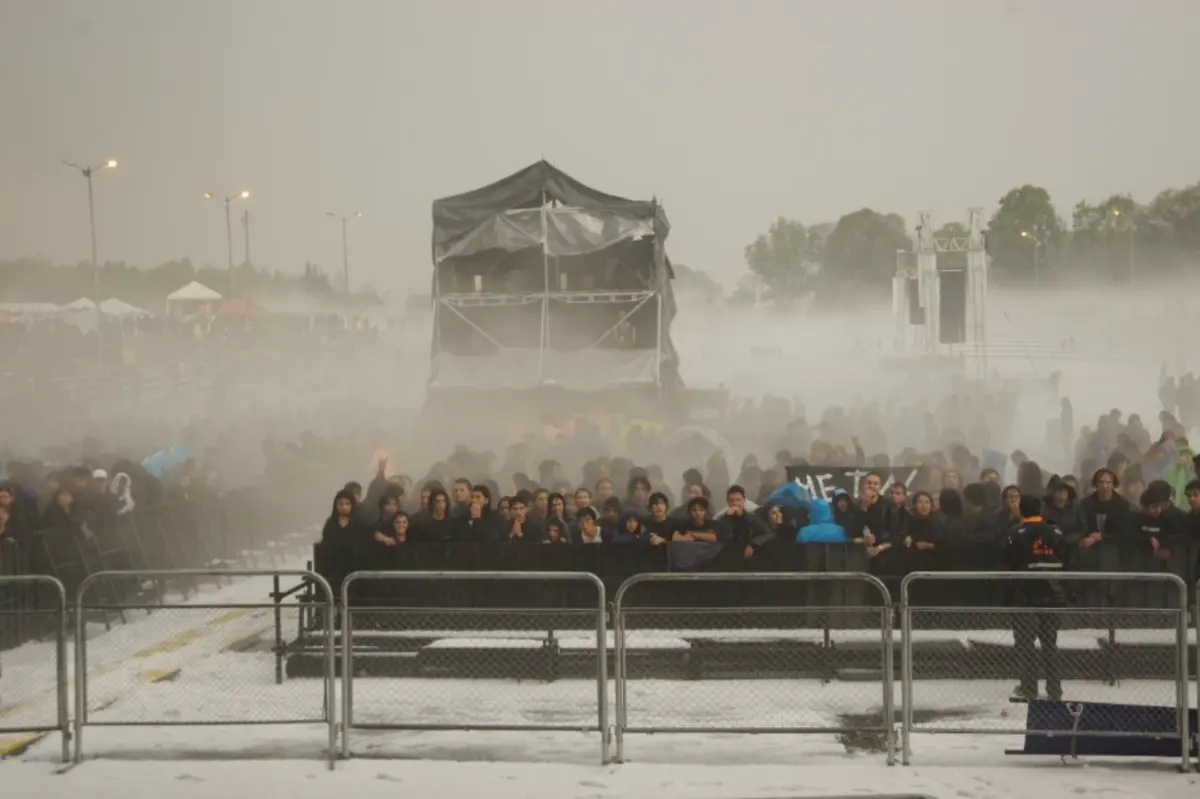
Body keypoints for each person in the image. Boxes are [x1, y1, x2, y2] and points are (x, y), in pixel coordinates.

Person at [1005, 495, 1067, 702]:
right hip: (1054, 594)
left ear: (1021, 511)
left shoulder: (1015, 533)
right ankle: (1055, 690)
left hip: (1025, 595)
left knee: (1025, 643)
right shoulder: (1055, 531)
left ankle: (1029, 689)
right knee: (1050, 644)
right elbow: (1067, 557)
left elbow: (1007, 560)